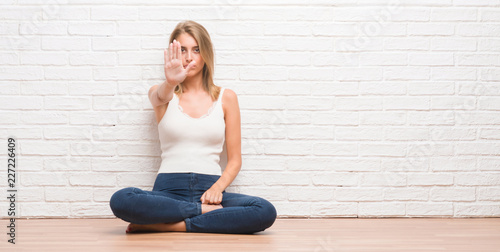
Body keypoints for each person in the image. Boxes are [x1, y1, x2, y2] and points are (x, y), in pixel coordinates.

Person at [109, 20, 277, 234]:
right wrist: (170, 82)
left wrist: (217, 188)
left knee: (264, 210)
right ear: (173, 55)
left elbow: (235, 160)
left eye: (196, 50)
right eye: (182, 50)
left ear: (205, 53)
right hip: (168, 192)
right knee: (122, 199)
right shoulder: (162, 94)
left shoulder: (227, 97)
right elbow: (159, 95)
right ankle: (200, 213)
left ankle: (174, 225)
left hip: (211, 192)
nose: (189, 57)